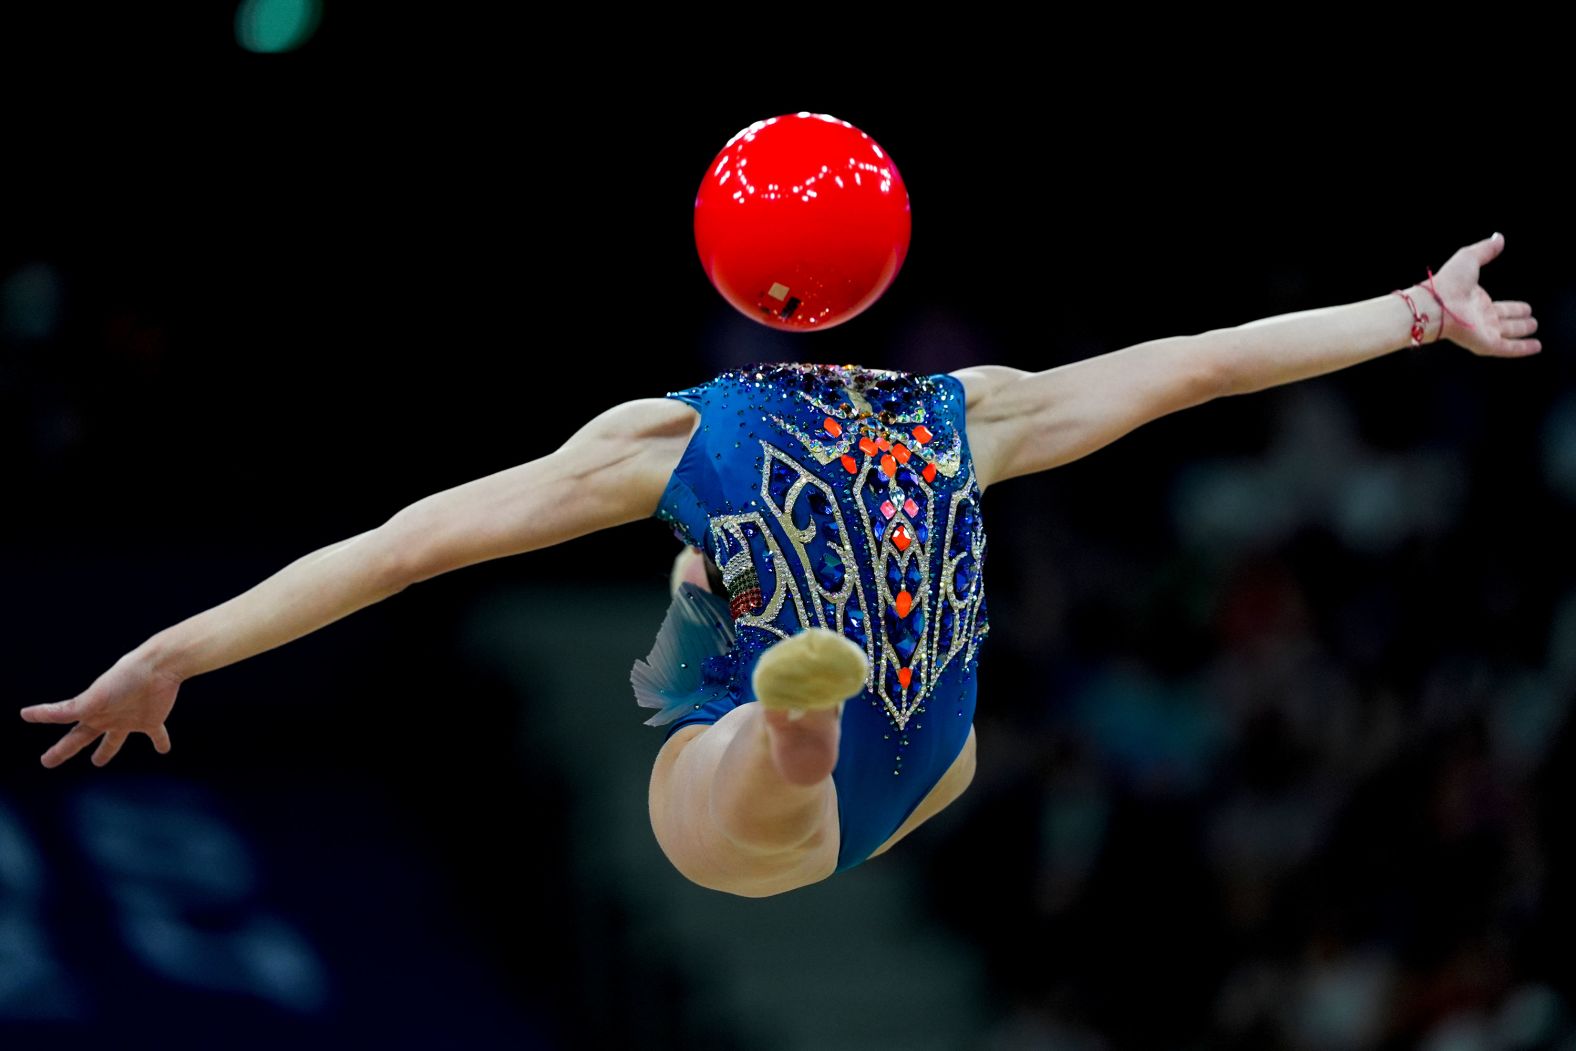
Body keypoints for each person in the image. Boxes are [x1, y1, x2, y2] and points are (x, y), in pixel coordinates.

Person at [20, 233, 1541, 899]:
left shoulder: (666, 436)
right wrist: (1417, 307)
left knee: (720, 762)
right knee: (736, 663)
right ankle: (781, 704)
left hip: (777, 786)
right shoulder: (976, 408)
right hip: (933, 751)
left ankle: (777, 721)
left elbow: (405, 545)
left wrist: (178, 650)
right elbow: (1203, 365)